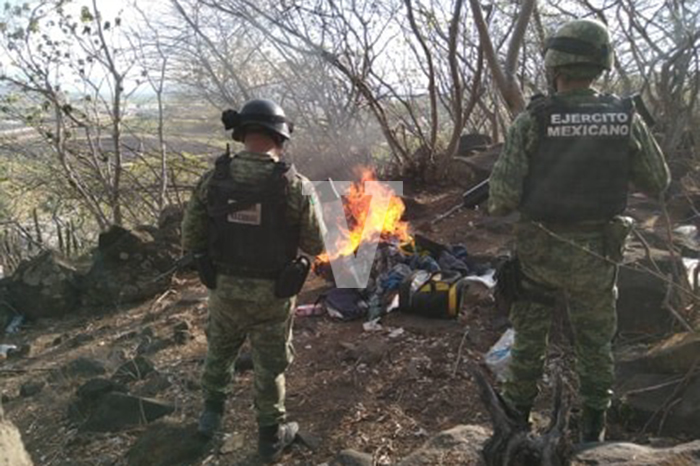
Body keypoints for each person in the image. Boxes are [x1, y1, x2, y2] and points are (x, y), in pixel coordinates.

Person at [488, 19, 670, 442]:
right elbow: (658, 181)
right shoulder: (624, 118)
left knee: (529, 339)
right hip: (597, 254)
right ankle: (593, 431)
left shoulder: (534, 119)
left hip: (541, 255)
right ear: (601, 65)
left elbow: (501, 199)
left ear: (555, 65)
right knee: (595, 344)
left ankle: (515, 424)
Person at [181, 98, 326, 462]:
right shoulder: (296, 186)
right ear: (280, 137)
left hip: (224, 289)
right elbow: (316, 244)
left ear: (243, 134)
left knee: (219, 351)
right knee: (270, 364)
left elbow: (191, 237)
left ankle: (209, 418)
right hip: (273, 294)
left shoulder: (214, 178)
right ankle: (270, 436)